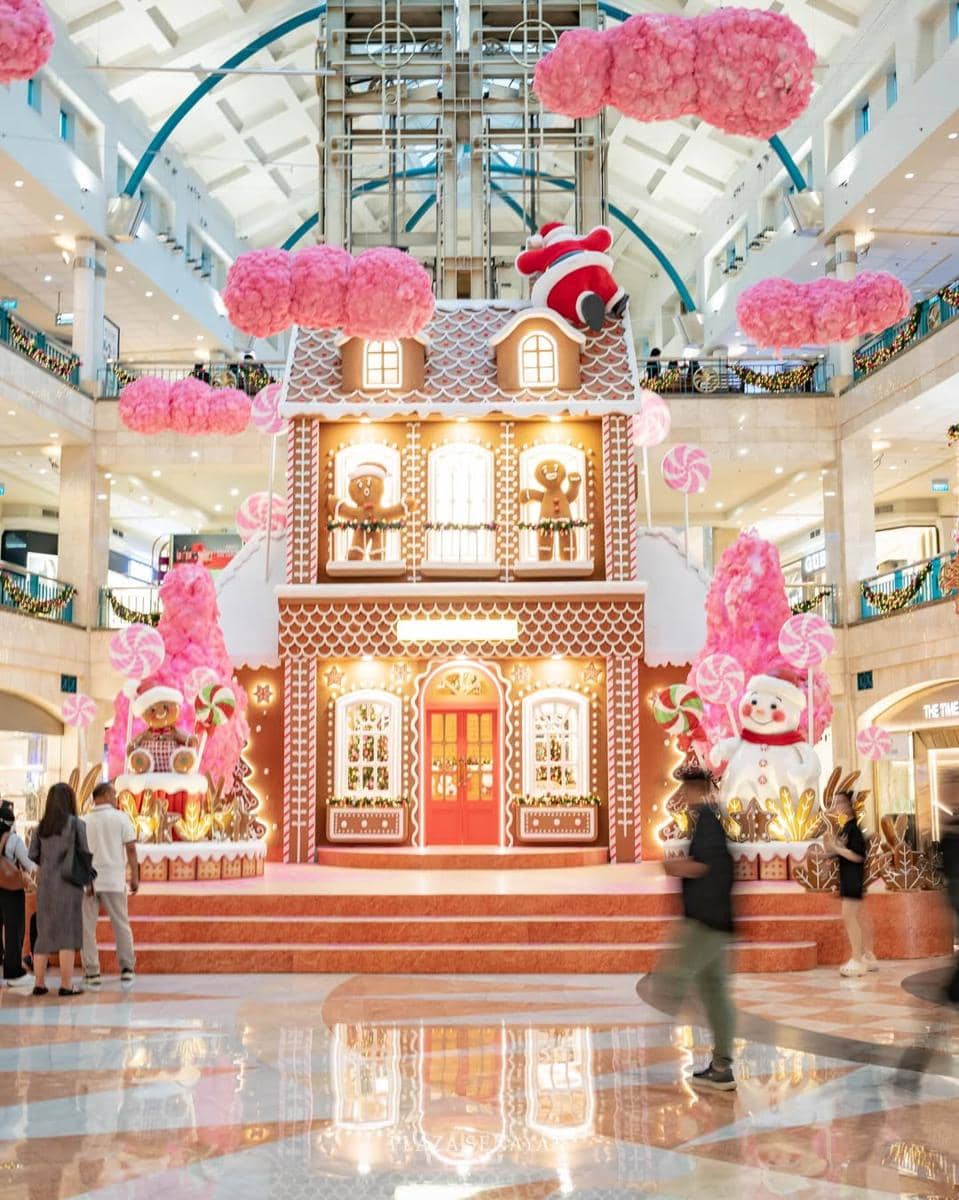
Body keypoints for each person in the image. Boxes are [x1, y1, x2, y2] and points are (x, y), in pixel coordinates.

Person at [657, 791, 737, 1091]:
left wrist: (675, 868)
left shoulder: (706, 821)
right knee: (715, 992)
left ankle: (666, 1021)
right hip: (716, 920)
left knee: (672, 978)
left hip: (706, 922)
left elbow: (708, 866)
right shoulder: (711, 820)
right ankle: (721, 1067)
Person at [28, 783, 89, 996]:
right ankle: (65, 985)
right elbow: (84, 853)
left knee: (44, 933)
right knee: (68, 935)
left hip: (45, 885)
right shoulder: (77, 825)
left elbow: (32, 854)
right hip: (70, 884)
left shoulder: (41, 827)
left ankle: (39, 983)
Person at [81, 781, 138, 987]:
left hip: (90, 882)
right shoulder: (121, 818)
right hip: (114, 880)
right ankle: (127, 968)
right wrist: (135, 875)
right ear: (103, 795)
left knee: (87, 928)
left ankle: (92, 972)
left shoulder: (84, 820)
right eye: (113, 794)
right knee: (121, 924)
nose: (116, 798)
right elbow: (131, 849)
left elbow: (81, 854)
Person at [824, 789, 876, 977]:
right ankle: (866, 956)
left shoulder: (854, 829)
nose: (836, 807)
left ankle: (857, 958)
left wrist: (837, 848)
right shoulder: (846, 828)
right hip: (848, 878)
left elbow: (858, 855)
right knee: (857, 918)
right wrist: (829, 853)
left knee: (850, 917)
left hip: (853, 879)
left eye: (839, 803)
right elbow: (843, 852)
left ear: (848, 805)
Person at [0, 798, 36, 988]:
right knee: (14, 930)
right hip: (10, 890)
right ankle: (13, 973)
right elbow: (29, 865)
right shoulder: (13, 840)